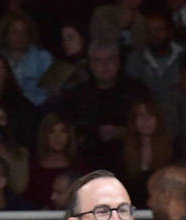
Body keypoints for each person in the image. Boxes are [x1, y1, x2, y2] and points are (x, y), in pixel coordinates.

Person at [58, 40, 151, 174]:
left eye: (110, 59)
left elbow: (153, 125)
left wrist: (123, 133)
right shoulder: (76, 95)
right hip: (88, 163)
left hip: (131, 160)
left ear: (119, 62)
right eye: (98, 61)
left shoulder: (137, 90)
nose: (105, 65)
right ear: (90, 64)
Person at [0, 10, 54, 107]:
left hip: (37, 109)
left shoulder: (43, 58)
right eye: (14, 32)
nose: (20, 36)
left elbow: (51, 93)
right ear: (5, 35)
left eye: (24, 32)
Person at [124, 11, 186, 102]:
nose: (153, 35)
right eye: (149, 31)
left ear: (170, 32)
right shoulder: (135, 59)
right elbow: (132, 93)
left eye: (158, 30)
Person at [120, 100, 174, 208]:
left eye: (150, 115)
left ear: (158, 119)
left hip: (161, 209)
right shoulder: (122, 149)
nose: (145, 121)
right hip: (131, 208)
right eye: (140, 115)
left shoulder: (172, 148)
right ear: (134, 121)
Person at [25, 113, 78, 208]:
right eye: (52, 132)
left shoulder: (79, 165)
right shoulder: (33, 166)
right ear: (44, 136)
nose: (57, 137)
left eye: (63, 131)